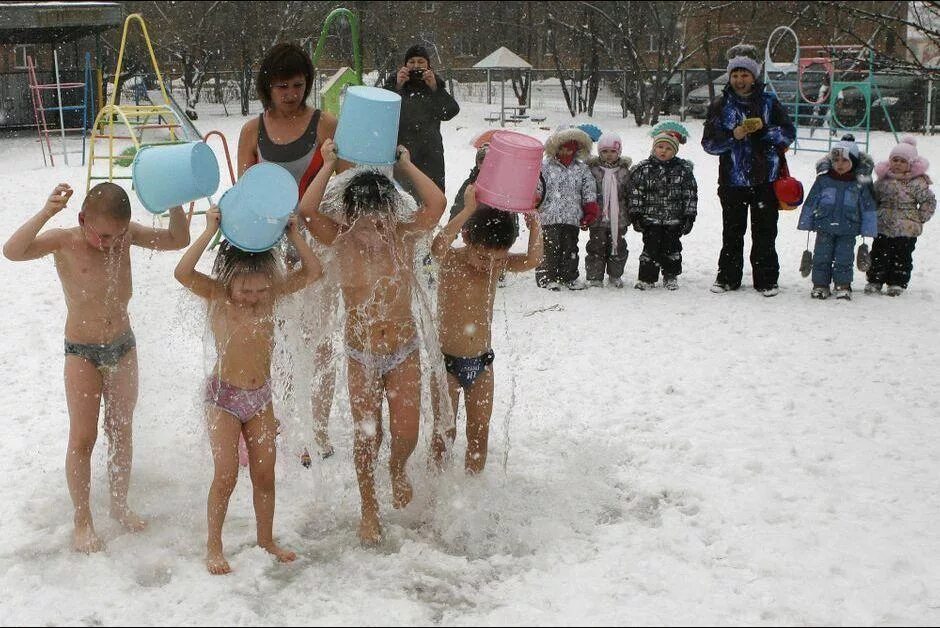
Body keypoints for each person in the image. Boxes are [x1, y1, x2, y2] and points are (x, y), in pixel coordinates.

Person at [2, 182, 190, 553]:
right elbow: (12, 251)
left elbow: (176, 239)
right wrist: (45, 212)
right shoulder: (64, 240)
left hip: (123, 347)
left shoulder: (126, 236)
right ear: (82, 218)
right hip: (81, 353)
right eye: (102, 235)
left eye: (117, 235)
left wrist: (173, 202)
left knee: (121, 430)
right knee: (83, 438)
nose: (109, 243)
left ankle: (120, 506)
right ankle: (82, 520)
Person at [299, 140, 447, 545]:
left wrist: (407, 166)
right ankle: (369, 510)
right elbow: (308, 212)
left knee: (406, 432)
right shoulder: (341, 242)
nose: (374, 230)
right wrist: (327, 164)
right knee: (367, 437)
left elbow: (437, 205)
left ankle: (398, 467)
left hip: (404, 351)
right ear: (349, 217)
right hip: (360, 356)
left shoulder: (403, 238)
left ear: (390, 213)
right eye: (364, 222)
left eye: (381, 219)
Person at [174, 206, 322, 574]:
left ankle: (266, 539)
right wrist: (209, 230)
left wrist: (294, 235)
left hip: (260, 399)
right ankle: (214, 546)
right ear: (229, 282)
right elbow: (182, 272)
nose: (254, 297)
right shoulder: (218, 296)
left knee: (265, 475)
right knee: (225, 475)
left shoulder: (272, 296)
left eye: (260, 289)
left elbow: (314, 271)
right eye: (245, 290)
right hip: (223, 398)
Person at [236, 42, 341, 461]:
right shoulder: (252, 131)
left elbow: (349, 183)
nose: (291, 94)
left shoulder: (325, 124)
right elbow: (244, 190)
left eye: (298, 85)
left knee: (319, 340)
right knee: (274, 340)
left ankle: (317, 430)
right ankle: (280, 422)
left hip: (316, 244)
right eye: (282, 86)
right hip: (269, 247)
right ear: (267, 87)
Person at [429, 186, 542, 473]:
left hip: (482, 363)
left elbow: (532, 260)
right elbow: (437, 245)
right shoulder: (452, 261)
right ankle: (437, 488)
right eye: (482, 258)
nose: (489, 266)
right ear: (467, 239)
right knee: (444, 434)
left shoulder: (497, 265)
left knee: (479, 433)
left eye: (498, 260)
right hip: (446, 364)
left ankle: (472, 489)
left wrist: (535, 225)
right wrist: (467, 210)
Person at [702, 44, 795, 296]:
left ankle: (766, 279)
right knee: (732, 232)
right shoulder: (721, 105)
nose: (739, 80)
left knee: (765, 233)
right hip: (732, 181)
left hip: (766, 179)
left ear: (754, 77)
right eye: (735, 75)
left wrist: (764, 131)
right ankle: (728, 278)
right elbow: (709, 144)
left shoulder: (769, 103)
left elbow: (788, 134)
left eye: (745, 75)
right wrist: (733, 135)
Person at [798, 135, 877, 300]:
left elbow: (867, 207)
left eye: (845, 160)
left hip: (848, 227)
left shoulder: (859, 183)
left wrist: (868, 228)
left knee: (844, 257)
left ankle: (843, 284)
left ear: (854, 162)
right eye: (836, 160)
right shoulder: (824, 180)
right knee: (821, 256)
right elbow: (812, 201)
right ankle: (820, 284)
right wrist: (806, 221)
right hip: (824, 225)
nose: (839, 164)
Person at [382, 44, 460, 195]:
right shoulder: (396, 85)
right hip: (401, 152)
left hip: (430, 154)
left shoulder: (434, 86)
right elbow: (382, 112)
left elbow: (450, 111)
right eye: (411, 62)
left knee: (431, 198)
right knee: (402, 200)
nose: (416, 65)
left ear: (428, 65)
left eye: (420, 61)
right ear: (405, 65)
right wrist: (397, 86)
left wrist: (435, 89)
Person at [628, 123, 698, 291]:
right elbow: (636, 192)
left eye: (668, 148)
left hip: (674, 219)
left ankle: (670, 274)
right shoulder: (643, 169)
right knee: (650, 248)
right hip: (650, 219)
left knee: (672, 248)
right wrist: (636, 214)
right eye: (660, 146)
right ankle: (647, 277)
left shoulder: (683, 170)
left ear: (675, 151)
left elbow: (690, 193)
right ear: (654, 148)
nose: (663, 151)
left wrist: (689, 216)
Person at [866, 136, 936, 296]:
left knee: (902, 256)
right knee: (878, 253)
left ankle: (897, 281)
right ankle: (875, 279)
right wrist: (873, 214)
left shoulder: (917, 182)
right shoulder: (883, 180)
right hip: (883, 225)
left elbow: (928, 201)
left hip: (907, 227)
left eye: (902, 161)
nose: (897, 164)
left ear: (911, 164)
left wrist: (920, 217)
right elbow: (874, 198)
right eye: (894, 160)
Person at [535, 126, 599, 290]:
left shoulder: (582, 169)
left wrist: (590, 210)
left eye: (569, 150)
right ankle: (546, 276)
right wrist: (534, 201)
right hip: (548, 216)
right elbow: (538, 187)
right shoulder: (545, 167)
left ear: (576, 149)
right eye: (561, 149)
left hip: (572, 217)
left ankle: (568, 276)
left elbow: (588, 190)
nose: (565, 153)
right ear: (555, 148)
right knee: (549, 247)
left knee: (570, 248)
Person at [586, 132, 632, 288]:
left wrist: (629, 213)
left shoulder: (624, 172)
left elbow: (629, 194)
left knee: (617, 247)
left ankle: (615, 275)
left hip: (618, 218)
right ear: (599, 152)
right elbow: (588, 192)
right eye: (604, 151)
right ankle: (595, 276)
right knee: (596, 247)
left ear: (619, 152)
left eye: (613, 151)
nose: (609, 155)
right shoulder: (593, 171)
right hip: (598, 218)